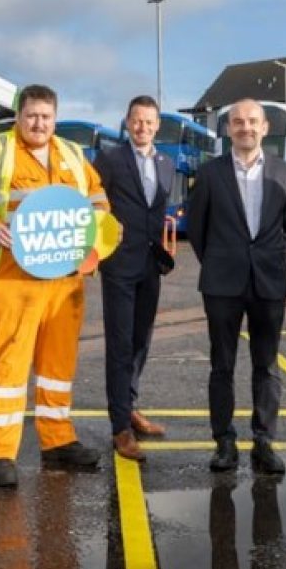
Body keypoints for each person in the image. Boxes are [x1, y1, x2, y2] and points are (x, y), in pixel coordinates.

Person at [0, 84, 113, 489]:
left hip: (63, 280)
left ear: (55, 118)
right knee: (7, 365)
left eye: (45, 116)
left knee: (57, 367)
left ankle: (57, 440)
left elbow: (98, 202)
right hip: (13, 278)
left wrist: (92, 240)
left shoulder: (74, 156)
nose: (38, 123)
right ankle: (1, 454)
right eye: (31, 116)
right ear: (19, 116)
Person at [188, 99, 286, 474]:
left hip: (269, 281)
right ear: (228, 129)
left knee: (267, 365)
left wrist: (267, 257)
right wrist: (224, 261)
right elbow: (198, 231)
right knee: (222, 365)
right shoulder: (209, 173)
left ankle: (264, 441)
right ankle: (224, 442)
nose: (245, 128)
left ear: (265, 128)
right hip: (222, 283)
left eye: (252, 121)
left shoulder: (285, 172)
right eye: (237, 122)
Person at [93, 95, 177, 462]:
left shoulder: (167, 164)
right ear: (127, 123)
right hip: (118, 266)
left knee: (142, 340)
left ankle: (129, 407)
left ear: (158, 125)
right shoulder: (110, 160)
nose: (142, 127)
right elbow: (94, 208)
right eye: (136, 121)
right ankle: (120, 429)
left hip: (150, 266)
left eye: (149, 121)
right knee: (121, 344)